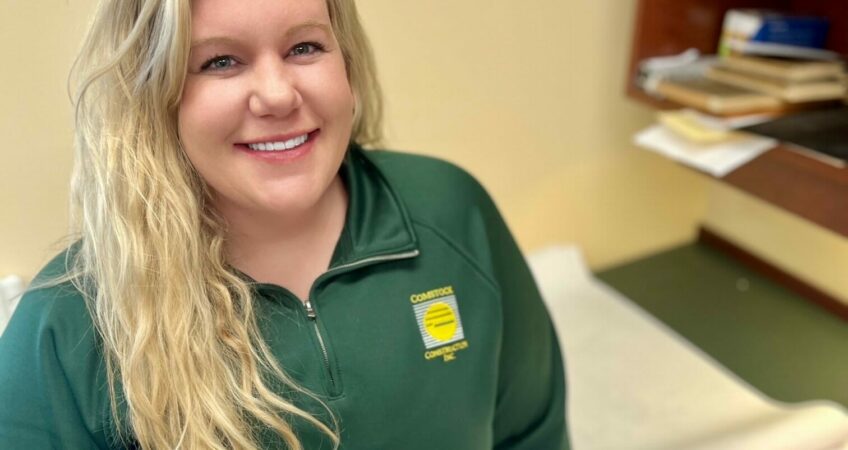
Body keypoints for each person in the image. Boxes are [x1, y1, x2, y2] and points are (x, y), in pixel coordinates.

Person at [0, 0, 569, 448]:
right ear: (153, 94)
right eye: (220, 61)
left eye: (304, 47)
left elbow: (532, 437)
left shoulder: (451, 212)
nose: (276, 94)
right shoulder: (65, 328)